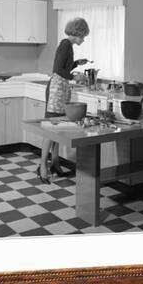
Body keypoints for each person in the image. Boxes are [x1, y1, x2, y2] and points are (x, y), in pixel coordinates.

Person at [37, 17, 90, 184]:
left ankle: (55, 163)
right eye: (84, 35)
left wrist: (75, 64)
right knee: (50, 130)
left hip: (61, 90)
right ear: (78, 32)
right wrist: (75, 75)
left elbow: (64, 66)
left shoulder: (69, 46)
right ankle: (42, 167)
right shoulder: (65, 44)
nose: (84, 38)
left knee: (57, 128)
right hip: (56, 90)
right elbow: (57, 69)